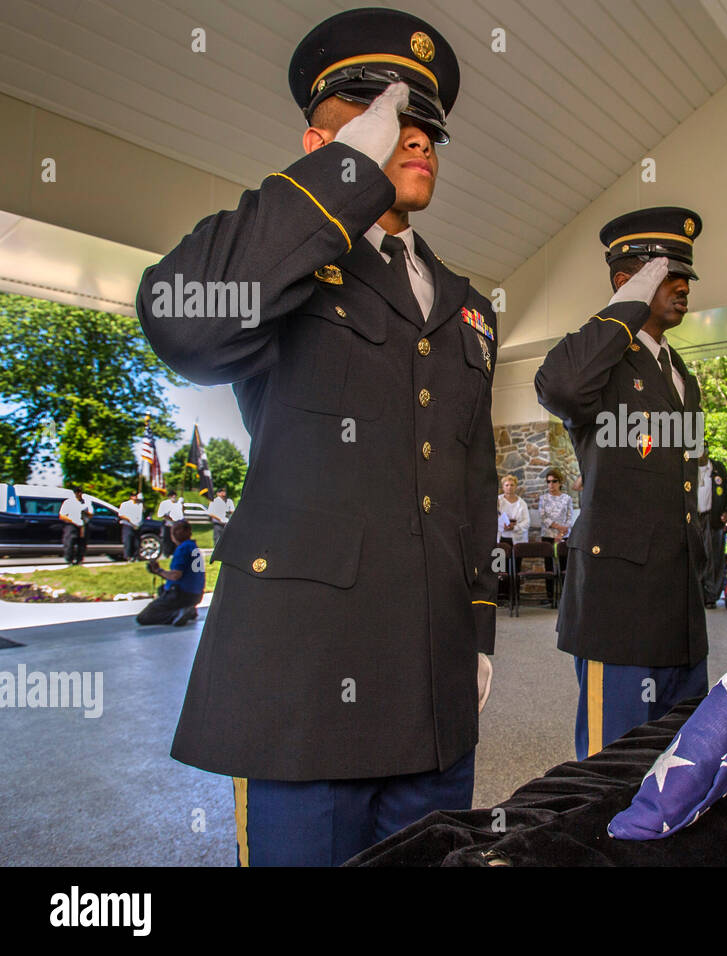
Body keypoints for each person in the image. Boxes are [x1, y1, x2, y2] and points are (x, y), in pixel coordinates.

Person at [135, 9, 498, 866]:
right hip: (305, 689)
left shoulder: (465, 303)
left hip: (435, 690)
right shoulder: (291, 260)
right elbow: (182, 323)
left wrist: (477, 631)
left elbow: (471, 480)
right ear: (319, 140)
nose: (412, 137)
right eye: (380, 117)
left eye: (424, 127)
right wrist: (344, 172)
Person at [535, 206, 709, 759]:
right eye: (666, 275)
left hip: (679, 606)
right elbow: (559, 386)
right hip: (621, 608)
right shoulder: (602, 361)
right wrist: (622, 313)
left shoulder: (681, 374)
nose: (682, 287)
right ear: (626, 283)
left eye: (686, 276)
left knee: (679, 763)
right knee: (613, 769)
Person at [137, 520, 206, 626]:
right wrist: (161, 573)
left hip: (181, 594)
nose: (175, 533)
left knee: (144, 617)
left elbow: (175, 575)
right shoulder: (193, 547)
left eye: (178, 530)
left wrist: (159, 571)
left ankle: (176, 614)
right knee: (162, 589)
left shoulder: (182, 548)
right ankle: (188, 609)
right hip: (196, 594)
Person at [698, 441, 727, 608]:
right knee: (697, 556)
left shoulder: (718, 468)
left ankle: (711, 595)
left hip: (713, 518)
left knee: (714, 557)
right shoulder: (687, 467)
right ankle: (698, 593)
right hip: (695, 518)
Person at [537, 468, 574, 605]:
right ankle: (550, 595)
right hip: (548, 535)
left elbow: (570, 517)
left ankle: (565, 596)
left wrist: (562, 533)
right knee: (549, 566)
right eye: (548, 482)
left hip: (564, 536)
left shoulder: (567, 498)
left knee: (565, 565)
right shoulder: (543, 498)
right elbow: (543, 517)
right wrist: (558, 528)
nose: (551, 484)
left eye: (554, 481)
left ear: (560, 482)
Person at [58, 487, 92, 566]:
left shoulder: (86, 502)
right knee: (70, 543)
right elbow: (62, 516)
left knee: (82, 544)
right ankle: (69, 560)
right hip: (71, 525)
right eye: (77, 492)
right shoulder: (68, 502)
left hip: (83, 525)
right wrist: (72, 520)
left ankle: (79, 560)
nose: (79, 494)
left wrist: (86, 513)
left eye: (80, 492)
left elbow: (91, 514)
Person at [155, 489, 184, 557]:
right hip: (167, 523)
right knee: (167, 539)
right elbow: (161, 514)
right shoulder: (164, 503)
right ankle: (166, 553)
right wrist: (170, 518)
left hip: (177, 524)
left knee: (175, 539)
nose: (174, 497)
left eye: (175, 495)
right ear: (169, 496)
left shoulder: (178, 503)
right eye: (172, 495)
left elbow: (182, 512)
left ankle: (174, 553)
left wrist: (182, 504)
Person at [117, 491, 144, 561]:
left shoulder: (140, 504)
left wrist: (142, 500)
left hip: (137, 525)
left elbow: (143, 512)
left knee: (137, 542)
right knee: (128, 541)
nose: (135, 497)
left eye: (136, 496)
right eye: (134, 496)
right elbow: (121, 515)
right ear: (131, 497)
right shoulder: (125, 504)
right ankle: (128, 557)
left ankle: (136, 556)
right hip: (128, 525)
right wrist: (129, 520)